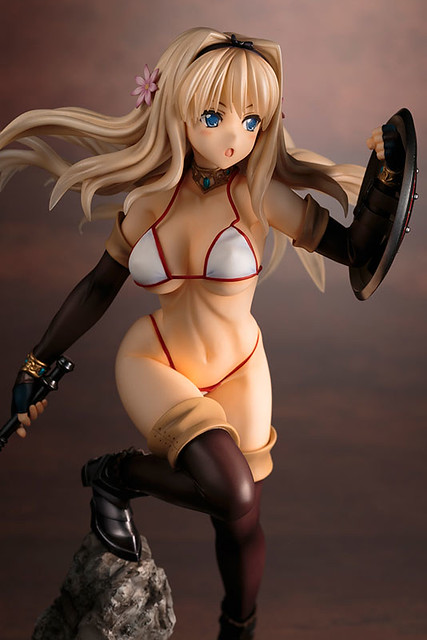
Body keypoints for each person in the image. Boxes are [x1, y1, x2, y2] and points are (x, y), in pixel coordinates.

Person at [0, 27, 401, 640]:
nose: (235, 137)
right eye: (214, 116)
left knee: (240, 519)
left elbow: (355, 250)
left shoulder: (260, 197)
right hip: (155, 359)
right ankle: (118, 475)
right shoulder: (147, 203)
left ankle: (237, 625)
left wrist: (386, 176)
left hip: (240, 367)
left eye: (252, 120)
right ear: (177, 111)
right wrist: (35, 365)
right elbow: (99, 287)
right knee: (234, 491)